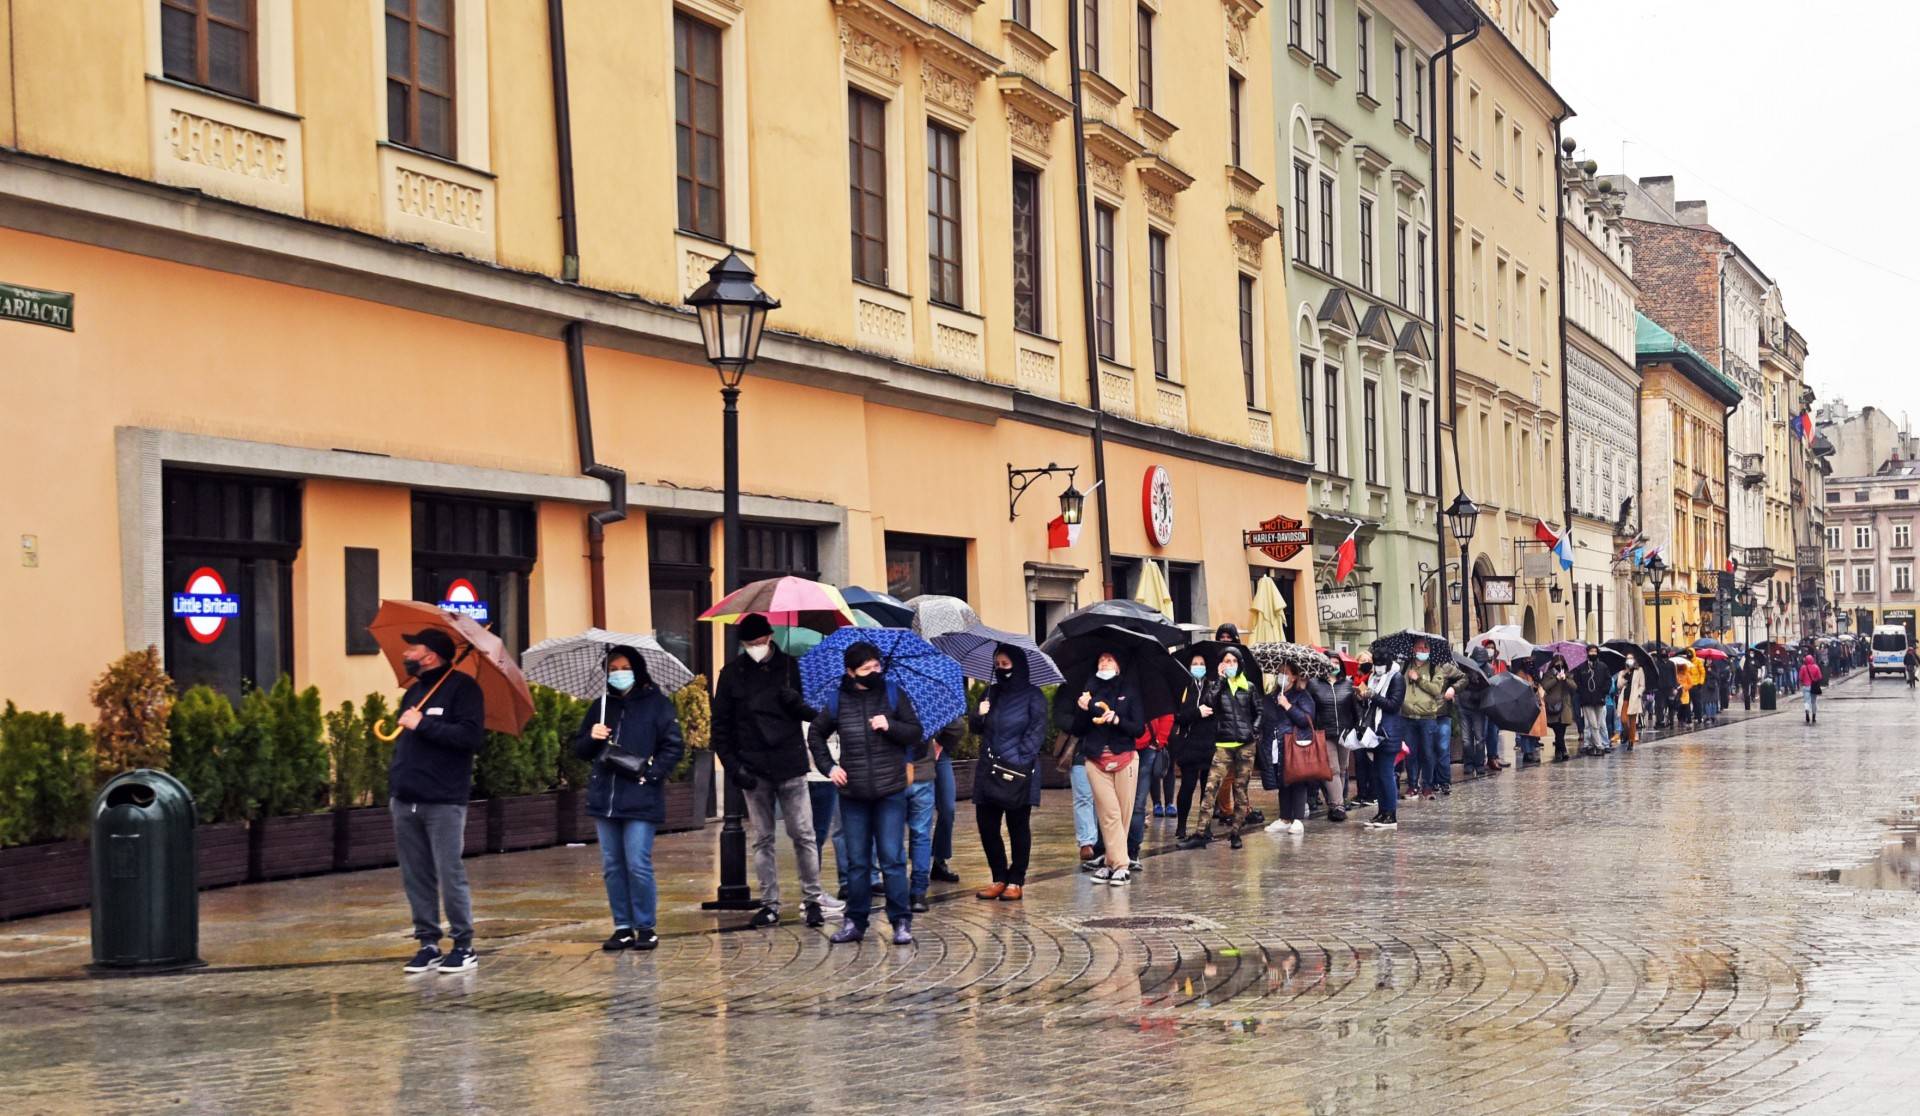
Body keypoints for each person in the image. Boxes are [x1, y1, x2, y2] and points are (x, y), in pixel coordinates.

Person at [711, 614, 829, 930]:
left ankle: (813, 900)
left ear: (770, 637)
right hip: (752, 767)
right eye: (750, 644)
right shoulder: (732, 674)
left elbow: (817, 714)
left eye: (761, 642)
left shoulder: (791, 667)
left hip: (789, 763)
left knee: (804, 834)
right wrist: (734, 767)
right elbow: (720, 727)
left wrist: (796, 704)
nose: (756, 648)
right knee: (762, 839)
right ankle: (769, 904)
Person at [570, 647, 685, 952]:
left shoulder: (657, 705)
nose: (618, 673)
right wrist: (591, 737)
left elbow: (673, 747)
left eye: (623, 667)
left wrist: (651, 775)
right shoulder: (601, 706)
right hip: (604, 797)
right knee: (612, 865)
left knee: (637, 863)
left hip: (640, 796)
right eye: (612, 669)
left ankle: (646, 926)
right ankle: (622, 926)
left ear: (637, 668)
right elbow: (580, 751)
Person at [809, 641, 923, 945]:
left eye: (877, 666)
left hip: (890, 790)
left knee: (892, 858)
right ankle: (855, 922)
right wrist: (829, 768)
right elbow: (816, 734)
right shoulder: (837, 701)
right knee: (857, 862)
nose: (874, 671)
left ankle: (901, 921)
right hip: (853, 792)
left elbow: (915, 732)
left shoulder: (893, 694)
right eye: (866, 668)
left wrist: (890, 725)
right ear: (851, 672)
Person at [389, 628, 487, 975]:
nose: (407, 654)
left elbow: (470, 737)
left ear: (430, 655)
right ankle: (427, 942)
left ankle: (463, 944)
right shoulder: (415, 691)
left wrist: (424, 725)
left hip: (444, 799)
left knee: (449, 872)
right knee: (416, 874)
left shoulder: (464, 690)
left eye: (412, 648)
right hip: (406, 798)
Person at [971, 646, 1049, 901]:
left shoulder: (1033, 696)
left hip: (1017, 773)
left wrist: (1016, 762)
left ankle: (1016, 880)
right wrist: (979, 714)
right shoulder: (991, 693)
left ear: (1017, 665)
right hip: (988, 770)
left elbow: (1036, 733)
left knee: (1018, 827)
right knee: (987, 826)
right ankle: (999, 877)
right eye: (998, 664)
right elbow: (976, 729)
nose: (1001, 668)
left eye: (1006, 663)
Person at [1072, 651, 1145, 883]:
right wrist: (1083, 710)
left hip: (1125, 757)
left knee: (1122, 814)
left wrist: (1117, 720)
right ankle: (1121, 865)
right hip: (1095, 759)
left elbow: (1138, 728)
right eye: (1101, 660)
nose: (1104, 663)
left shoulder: (1129, 691)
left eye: (1110, 659)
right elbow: (1077, 729)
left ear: (1119, 666)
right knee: (1108, 813)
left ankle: (1109, 863)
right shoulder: (1088, 691)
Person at [1180, 646, 1260, 850]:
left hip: (1245, 744)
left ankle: (1236, 832)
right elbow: (1208, 702)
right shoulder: (1217, 685)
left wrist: (1254, 731)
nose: (1230, 664)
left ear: (1240, 664)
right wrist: (1221, 680)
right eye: (1227, 661)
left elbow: (1259, 712)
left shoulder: (1248, 686)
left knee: (1240, 790)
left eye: (1234, 661)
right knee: (1210, 787)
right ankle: (1200, 832)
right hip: (1223, 743)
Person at [905, 717, 963, 913]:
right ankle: (917, 870)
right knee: (917, 824)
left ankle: (939, 859)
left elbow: (957, 724)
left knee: (947, 808)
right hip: (908, 758)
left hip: (938, 753)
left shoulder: (931, 691)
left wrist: (941, 742)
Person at [1256, 666, 1318, 833]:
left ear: (1294, 677)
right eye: (1280, 672)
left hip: (1295, 744)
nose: (1281, 676)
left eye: (1286, 673)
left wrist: (1288, 706)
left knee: (1297, 780)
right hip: (1275, 743)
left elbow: (1306, 720)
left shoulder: (1302, 696)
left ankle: (1297, 819)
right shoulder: (1271, 696)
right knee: (1282, 780)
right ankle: (1284, 818)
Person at [1400, 638, 1462, 798]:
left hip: (1427, 717)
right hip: (1408, 716)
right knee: (1411, 753)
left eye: (1425, 648)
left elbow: (1436, 689)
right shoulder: (1405, 666)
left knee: (1428, 752)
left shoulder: (1435, 668)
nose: (1422, 650)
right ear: (1413, 649)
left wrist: (1419, 679)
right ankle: (1413, 785)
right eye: (1419, 647)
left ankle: (1427, 785)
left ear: (1429, 651)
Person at [1299, 655, 1352, 825]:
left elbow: (1353, 707)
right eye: (1330, 662)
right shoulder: (1314, 684)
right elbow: (1308, 706)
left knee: (1342, 769)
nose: (1334, 665)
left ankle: (1335, 802)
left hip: (1344, 732)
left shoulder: (1347, 684)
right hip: (1324, 731)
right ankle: (1338, 805)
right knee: (1332, 770)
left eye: (1337, 663)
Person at [1170, 651, 1218, 841]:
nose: (1198, 666)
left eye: (1201, 663)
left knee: (1208, 788)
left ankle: (1204, 826)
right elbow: (1179, 717)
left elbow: (1218, 709)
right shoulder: (1184, 688)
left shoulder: (1213, 686)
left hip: (1209, 744)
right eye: (1195, 663)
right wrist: (1197, 713)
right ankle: (1181, 826)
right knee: (1188, 786)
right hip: (1189, 744)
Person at [1363, 657, 1406, 829]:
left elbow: (1394, 705)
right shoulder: (1374, 677)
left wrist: (1374, 696)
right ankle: (1382, 812)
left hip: (1389, 733)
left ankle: (1391, 815)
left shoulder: (1396, 678)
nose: (1378, 668)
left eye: (1381, 665)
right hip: (1375, 732)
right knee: (1378, 774)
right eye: (1376, 664)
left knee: (1386, 773)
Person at [1571, 647, 1613, 756]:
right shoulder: (1582, 667)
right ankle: (1599, 747)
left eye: (1595, 652)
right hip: (1587, 701)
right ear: (1587, 653)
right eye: (1591, 652)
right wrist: (1583, 693)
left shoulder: (1603, 666)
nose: (1593, 654)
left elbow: (1608, 681)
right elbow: (1577, 682)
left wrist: (1603, 692)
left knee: (1598, 724)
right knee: (1593, 724)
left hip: (1599, 700)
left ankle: (1594, 745)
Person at [1510, 658, 1548, 765]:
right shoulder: (1520, 673)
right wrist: (1531, 688)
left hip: (1536, 703)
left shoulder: (1534, 673)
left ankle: (1530, 751)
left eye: (1531, 659)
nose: (1530, 662)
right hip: (1525, 704)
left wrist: (1537, 688)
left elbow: (1538, 685)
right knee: (1526, 731)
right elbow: (1519, 688)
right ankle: (1527, 752)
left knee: (1534, 731)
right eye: (1527, 659)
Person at [1541, 654, 1577, 762]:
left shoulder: (1568, 673)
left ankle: (1559, 751)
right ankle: (1563, 750)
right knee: (1557, 729)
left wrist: (1565, 679)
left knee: (1562, 729)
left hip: (1565, 706)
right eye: (1557, 662)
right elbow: (1545, 686)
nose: (1559, 664)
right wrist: (1556, 679)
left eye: (1561, 662)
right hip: (1553, 705)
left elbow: (1574, 687)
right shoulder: (1548, 674)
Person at [1617, 662, 1640, 750]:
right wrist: (1626, 675)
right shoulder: (1622, 672)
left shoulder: (1638, 672)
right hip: (1625, 699)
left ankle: (1631, 742)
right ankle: (1625, 733)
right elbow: (1619, 685)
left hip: (1634, 699)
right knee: (1624, 720)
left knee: (1633, 722)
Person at [1799, 653, 1823, 723]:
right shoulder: (1816, 667)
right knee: (1814, 702)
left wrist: (1802, 681)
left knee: (1807, 701)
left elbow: (1800, 677)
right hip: (1813, 686)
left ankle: (1807, 712)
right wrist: (1815, 679)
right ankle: (1814, 716)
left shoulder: (1803, 667)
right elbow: (1820, 677)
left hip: (1806, 686)